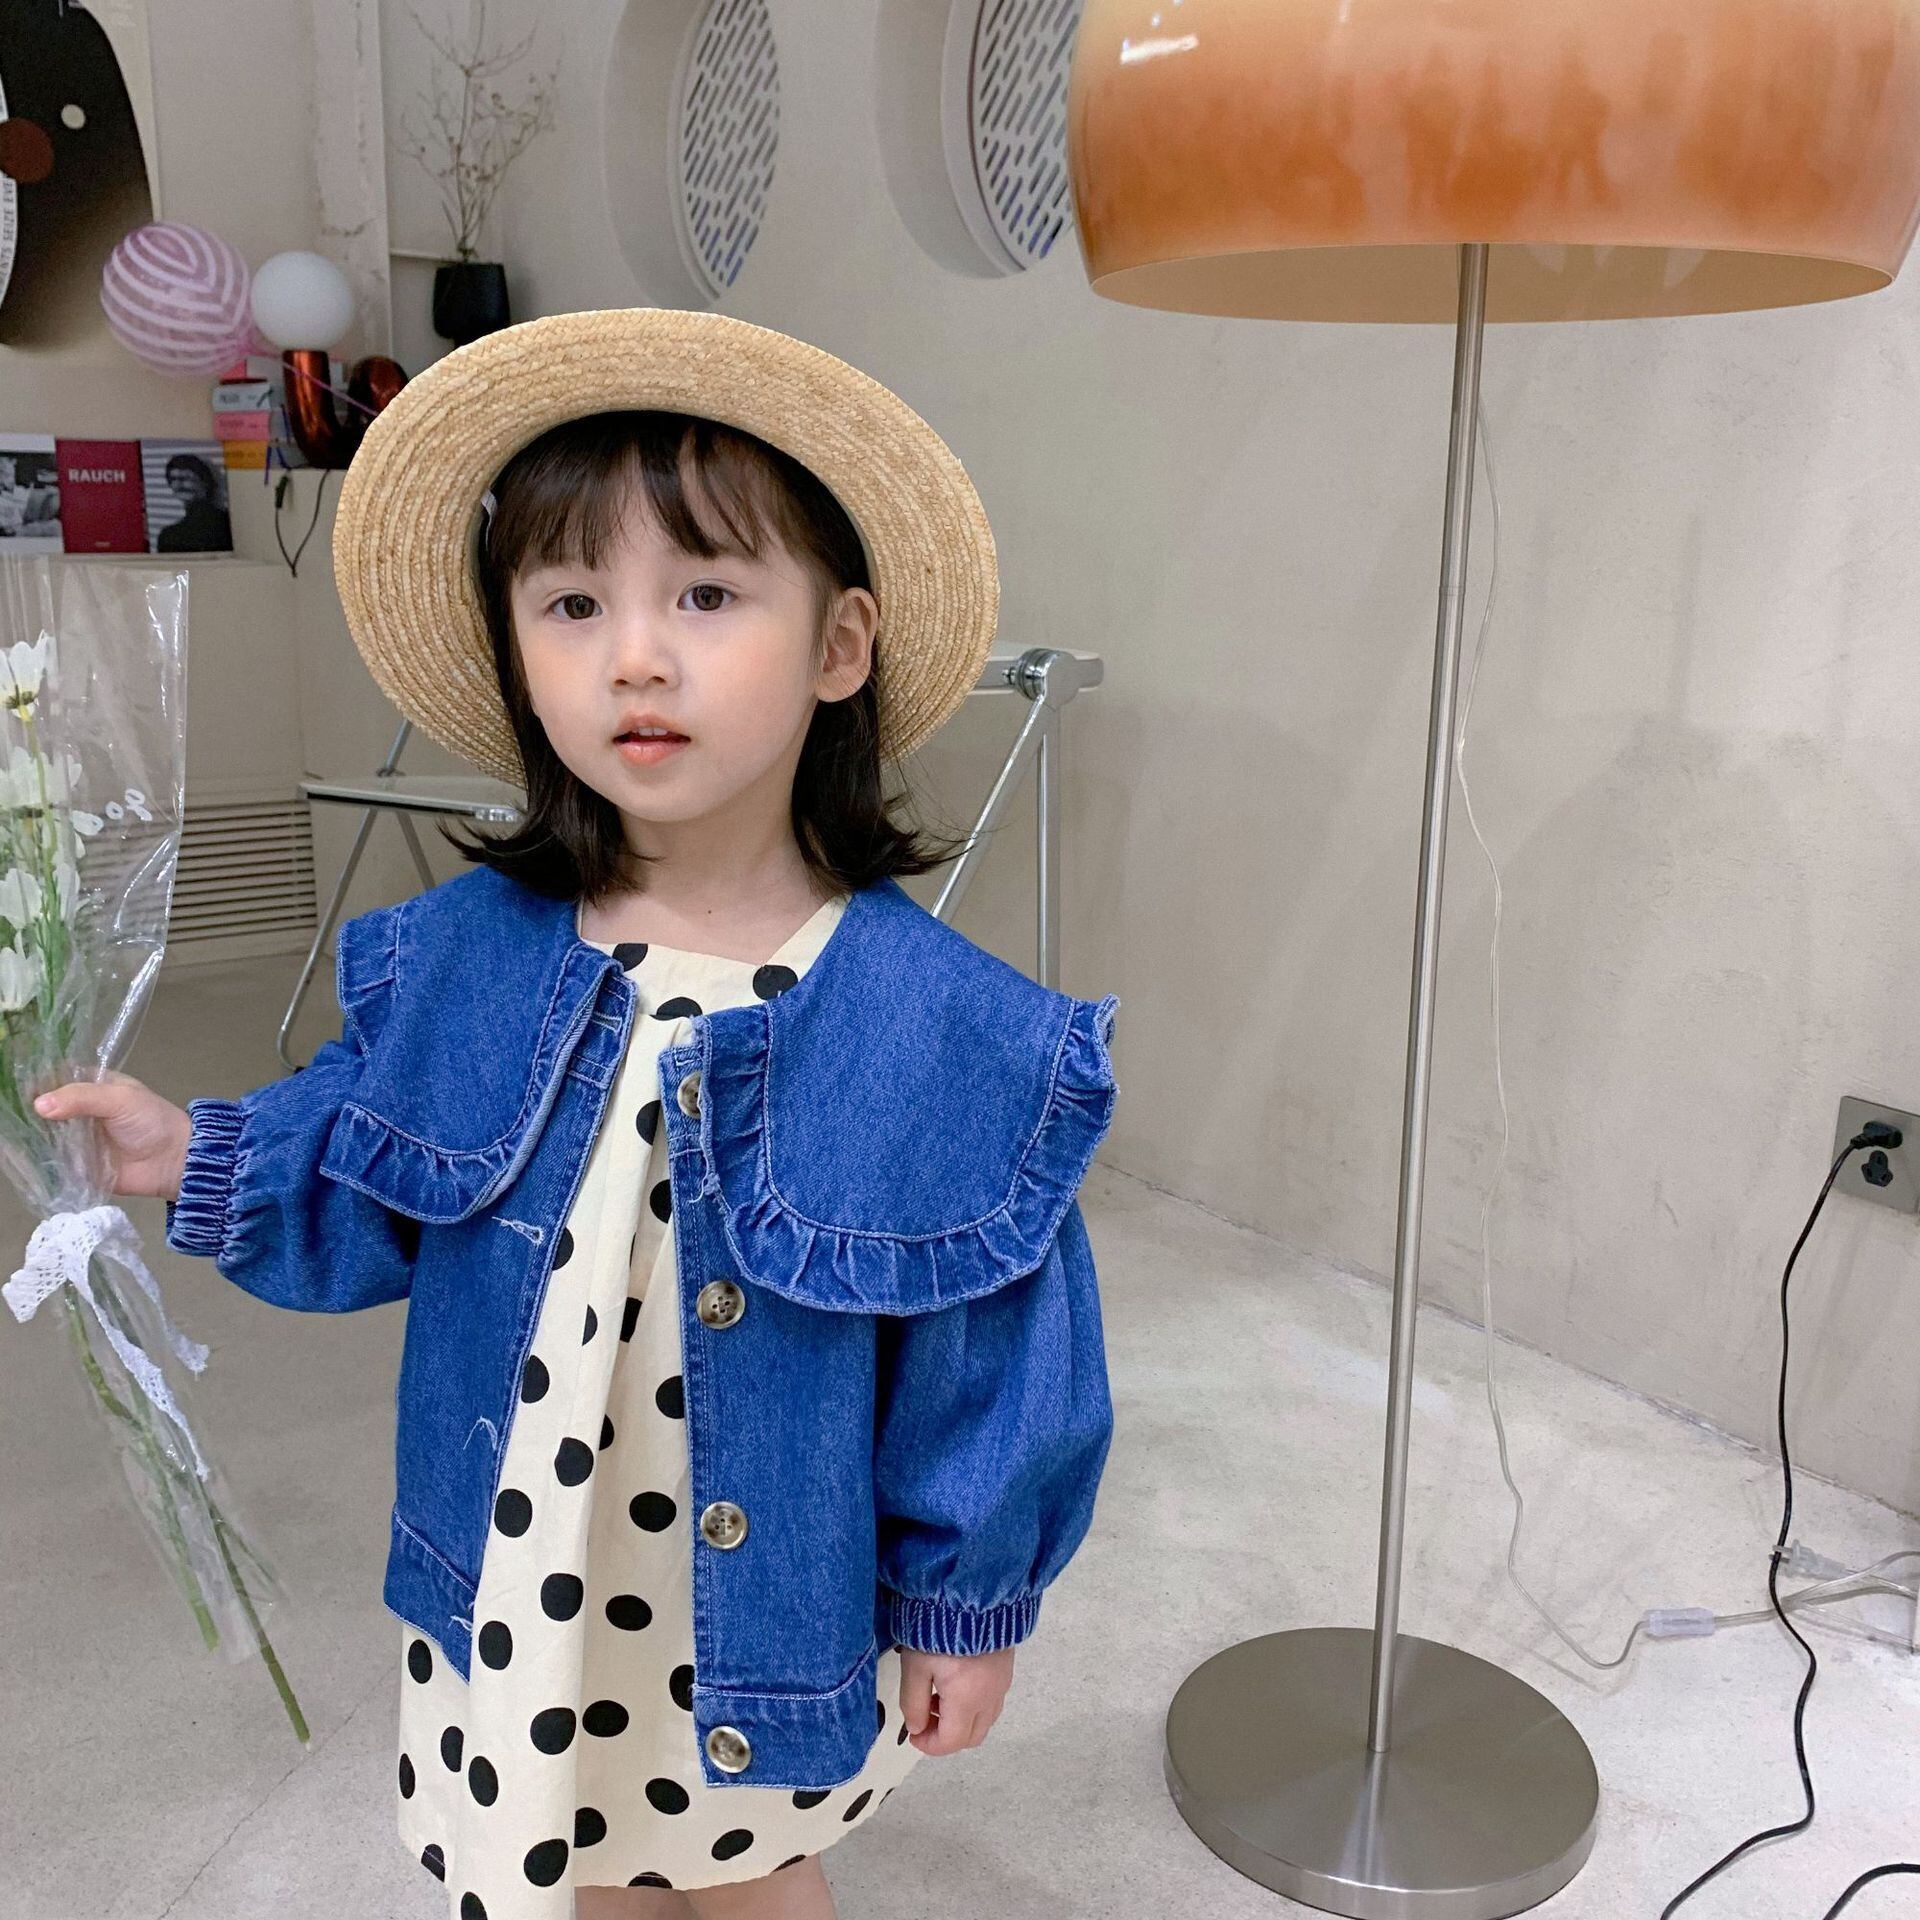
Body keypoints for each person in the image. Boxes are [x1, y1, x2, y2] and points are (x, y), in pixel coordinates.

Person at [32, 308, 1121, 1920]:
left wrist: (964, 1599)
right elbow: (368, 1171)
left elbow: (992, 1353)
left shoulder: (940, 1029)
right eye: (570, 603)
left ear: (840, 646)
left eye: (707, 594)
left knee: (758, 1872)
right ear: (516, 653)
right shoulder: (466, 959)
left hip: (772, 1597)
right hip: (528, 1575)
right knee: (568, 1860)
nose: (634, 657)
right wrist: (192, 1151)